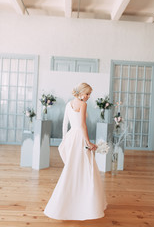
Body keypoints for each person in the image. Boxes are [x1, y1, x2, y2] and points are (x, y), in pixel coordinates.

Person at [44, 83, 107, 220]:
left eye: (90, 94)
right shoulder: (83, 105)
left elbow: (64, 123)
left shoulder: (69, 104)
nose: (89, 97)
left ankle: (66, 204)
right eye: (88, 93)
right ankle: (85, 204)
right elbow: (83, 125)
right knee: (85, 168)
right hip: (80, 138)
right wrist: (89, 142)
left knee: (72, 168)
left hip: (71, 136)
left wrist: (64, 139)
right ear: (82, 92)